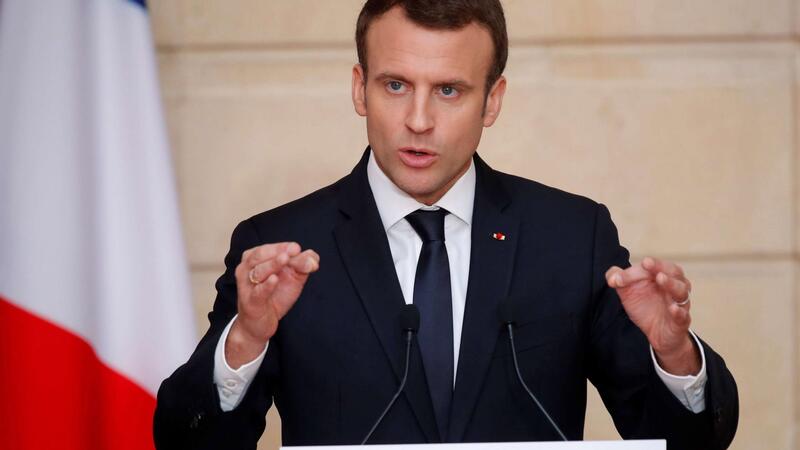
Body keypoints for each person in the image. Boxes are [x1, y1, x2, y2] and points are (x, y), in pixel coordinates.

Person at [153, 1, 738, 449]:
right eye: (395, 85)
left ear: (492, 101)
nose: (418, 120)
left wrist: (674, 355)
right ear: (360, 88)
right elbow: (186, 441)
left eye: (449, 90)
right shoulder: (281, 247)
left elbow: (690, 441)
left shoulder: (570, 237)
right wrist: (245, 342)